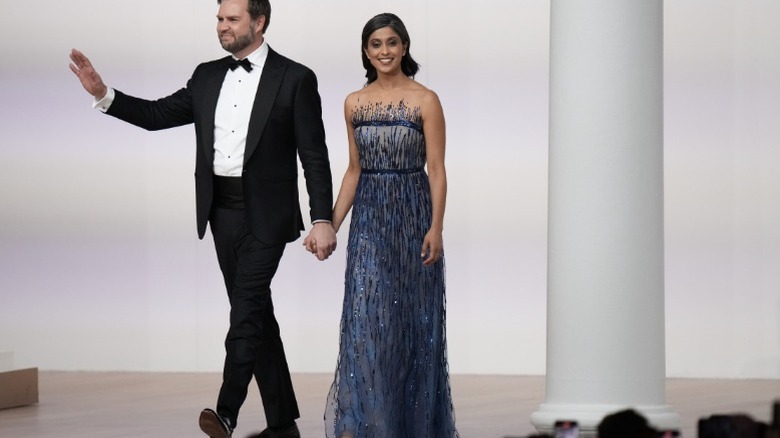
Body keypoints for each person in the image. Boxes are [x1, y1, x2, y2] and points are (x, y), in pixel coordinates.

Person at [68, 1, 336, 437]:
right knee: (255, 314)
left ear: (259, 22)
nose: (222, 27)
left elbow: (314, 156)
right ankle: (283, 423)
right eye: (219, 19)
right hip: (221, 212)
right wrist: (103, 93)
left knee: (245, 311)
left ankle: (226, 411)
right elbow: (156, 116)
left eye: (231, 19)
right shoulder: (207, 75)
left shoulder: (295, 78)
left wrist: (321, 217)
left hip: (268, 215)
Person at [305, 12, 458, 438]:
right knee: (367, 322)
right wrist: (329, 225)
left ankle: (411, 425)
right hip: (370, 222)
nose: (384, 51)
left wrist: (436, 227)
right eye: (376, 44)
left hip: (412, 220)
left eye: (392, 42)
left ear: (405, 47)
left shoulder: (426, 99)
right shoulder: (354, 102)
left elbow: (438, 169)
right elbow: (354, 171)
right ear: (366, 51)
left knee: (412, 325)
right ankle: (369, 425)